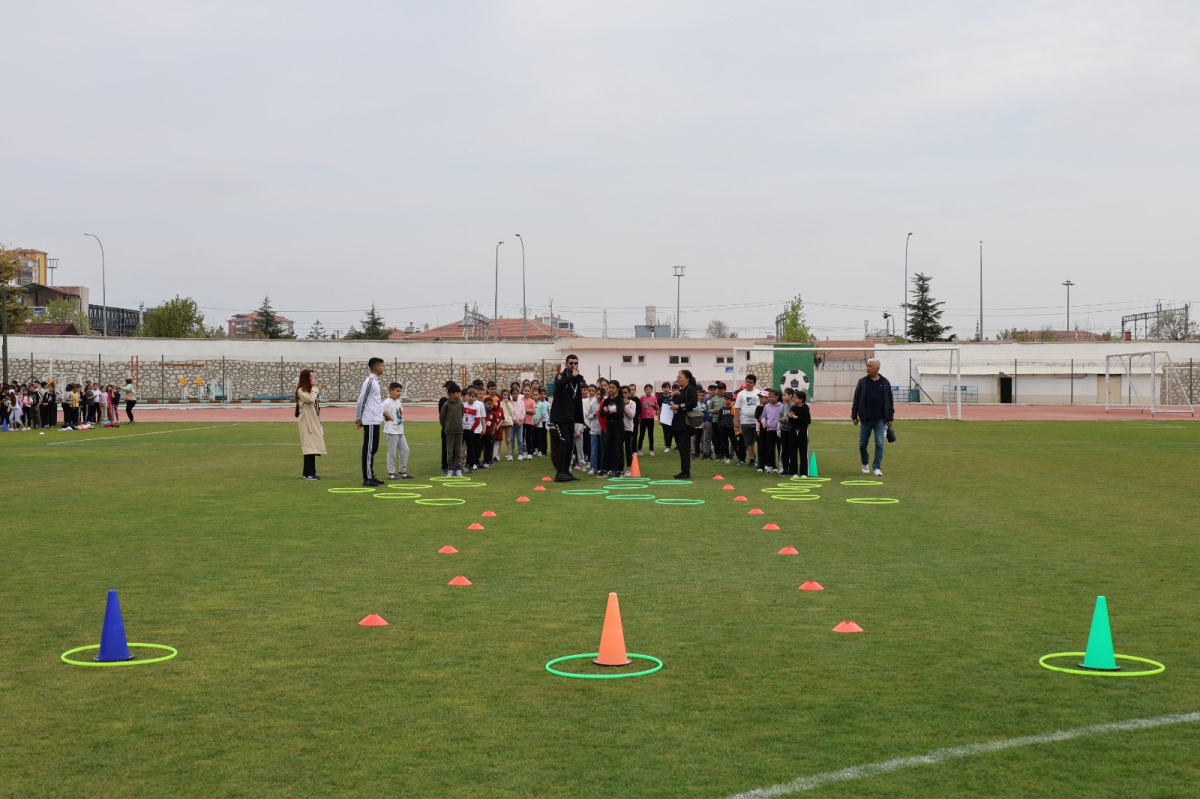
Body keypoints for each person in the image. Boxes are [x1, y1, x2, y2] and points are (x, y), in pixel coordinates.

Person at [851, 358, 894, 476]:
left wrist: (890, 418)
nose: (868, 368)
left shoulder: (885, 382)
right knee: (862, 444)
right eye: (867, 366)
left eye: (870, 366)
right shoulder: (862, 382)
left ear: (877, 368)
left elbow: (890, 401)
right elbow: (856, 399)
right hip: (865, 418)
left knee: (879, 443)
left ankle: (877, 467)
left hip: (880, 419)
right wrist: (854, 415)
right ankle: (865, 462)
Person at [550, 354, 586, 482]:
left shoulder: (577, 380)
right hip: (560, 416)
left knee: (570, 444)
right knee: (564, 443)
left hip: (571, 417)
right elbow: (559, 384)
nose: (573, 365)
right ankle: (560, 473)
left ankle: (566, 471)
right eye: (571, 363)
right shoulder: (562, 376)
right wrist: (572, 377)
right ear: (566, 364)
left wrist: (579, 420)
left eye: (575, 363)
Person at [355, 357, 386, 487]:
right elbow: (361, 400)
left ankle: (371, 475)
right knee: (368, 449)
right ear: (377, 367)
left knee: (373, 448)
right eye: (383, 366)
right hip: (370, 420)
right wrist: (359, 418)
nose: (384, 368)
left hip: (375, 420)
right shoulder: (369, 381)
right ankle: (367, 478)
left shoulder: (375, 382)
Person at [295, 368, 326, 480]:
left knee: (313, 447)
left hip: (313, 421)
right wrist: (314, 389)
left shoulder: (308, 390)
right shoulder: (301, 391)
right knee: (308, 447)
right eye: (311, 376)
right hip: (306, 422)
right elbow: (310, 399)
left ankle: (311, 472)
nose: (314, 378)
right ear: (306, 379)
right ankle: (308, 473)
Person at [669, 369, 699, 479]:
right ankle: (683, 471)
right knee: (681, 448)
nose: (678, 379)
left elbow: (693, 403)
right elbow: (673, 404)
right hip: (677, 423)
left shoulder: (690, 389)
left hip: (684, 424)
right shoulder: (682, 391)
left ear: (687, 378)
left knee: (684, 447)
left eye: (680, 377)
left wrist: (679, 406)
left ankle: (686, 472)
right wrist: (674, 397)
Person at [382, 382, 411, 480]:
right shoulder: (386, 403)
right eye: (397, 391)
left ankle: (402, 472)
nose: (399, 393)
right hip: (391, 430)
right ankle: (391, 473)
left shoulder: (398, 402)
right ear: (391, 391)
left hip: (399, 430)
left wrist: (400, 422)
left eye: (400, 391)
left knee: (405, 450)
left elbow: (399, 413)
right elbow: (380, 412)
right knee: (392, 452)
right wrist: (387, 418)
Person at [733, 374, 761, 467]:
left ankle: (762, 460)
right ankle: (752, 460)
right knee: (749, 442)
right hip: (745, 421)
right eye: (747, 382)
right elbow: (737, 408)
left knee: (761, 442)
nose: (748, 384)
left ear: (754, 384)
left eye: (750, 382)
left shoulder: (758, 393)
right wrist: (736, 420)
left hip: (757, 422)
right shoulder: (741, 394)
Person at [439, 381, 465, 477]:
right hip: (449, 431)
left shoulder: (460, 404)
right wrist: (446, 427)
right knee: (449, 451)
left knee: (458, 451)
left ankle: (458, 469)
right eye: (457, 393)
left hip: (459, 431)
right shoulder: (446, 404)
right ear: (451, 394)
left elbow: (461, 415)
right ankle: (449, 469)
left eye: (459, 393)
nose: (458, 395)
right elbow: (442, 417)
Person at [600, 381, 624, 477]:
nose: (610, 389)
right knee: (606, 448)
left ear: (617, 389)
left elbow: (618, 413)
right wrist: (611, 411)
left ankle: (619, 470)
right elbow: (602, 414)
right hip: (609, 426)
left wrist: (608, 411)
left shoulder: (619, 400)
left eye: (613, 387)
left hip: (618, 426)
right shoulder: (606, 401)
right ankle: (604, 469)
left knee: (618, 449)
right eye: (609, 387)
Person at [758, 389, 782, 473]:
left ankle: (781, 466)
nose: (770, 398)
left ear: (777, 397)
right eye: (769, 397)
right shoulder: (767, 407)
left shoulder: (781, 406)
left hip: (779, 430)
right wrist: (763, 422)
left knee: (780, 448)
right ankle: (770, 466)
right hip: (770, 430)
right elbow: (763, 416)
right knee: (770, 449)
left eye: (772, 397)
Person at [790, 390, 812, 477]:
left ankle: (804, 472)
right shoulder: (793, 408)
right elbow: (791, 421)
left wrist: (797, 417)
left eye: (795, 397)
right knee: (793, 452)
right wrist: (790, 417)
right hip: (793, 431)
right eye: (793, 397)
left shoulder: (805, 408)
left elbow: (808, 421)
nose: (794, 399)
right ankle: (793, 472)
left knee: (803, 452)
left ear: (801, 399)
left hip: (802, 432)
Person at [716, 393, 736, 463]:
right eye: (725, 399)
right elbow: (719, 418)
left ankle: (739, 457)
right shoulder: (722, 409)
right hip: (723, 428)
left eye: (728, 399)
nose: (726, 400)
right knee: (725, 443)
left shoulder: (733, 408)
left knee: (734, 442)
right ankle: (727, 457)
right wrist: (720, 426)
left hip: (731, 428)